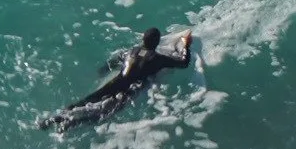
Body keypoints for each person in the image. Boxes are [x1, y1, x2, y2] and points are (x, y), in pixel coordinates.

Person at [44, 28, 195, 131]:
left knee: (85, 102)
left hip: (114, 83)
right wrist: (186, 45)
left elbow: (113, 62)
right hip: (129, 90)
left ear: (143, 39)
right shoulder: (157, 58)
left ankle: (52, 120)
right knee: (101, 114)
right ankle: (70, 124)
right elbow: (183, 63)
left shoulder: (131, 51)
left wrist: (101, 72)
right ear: (157, 43)